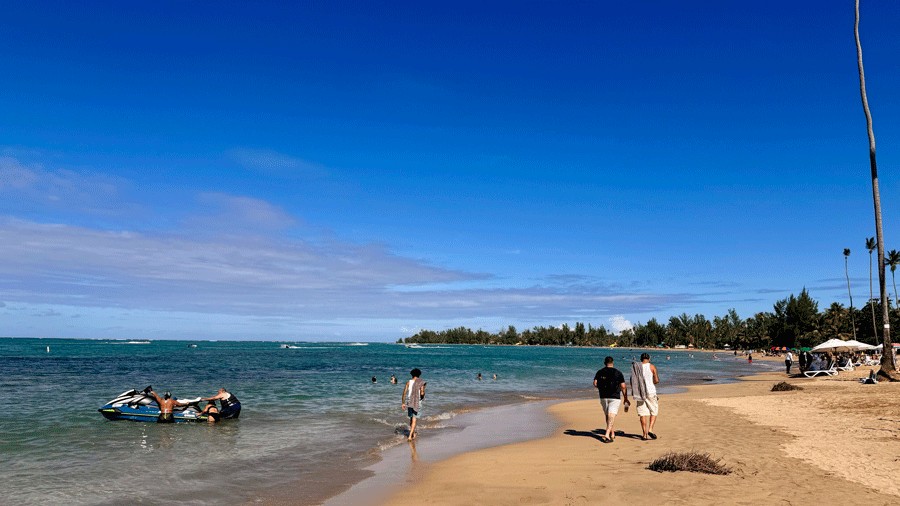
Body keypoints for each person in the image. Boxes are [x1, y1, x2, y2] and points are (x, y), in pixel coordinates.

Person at [593, 356, 628, 443]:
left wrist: (600, 388)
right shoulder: (618, 373)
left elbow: (595, 383)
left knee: (608, 415)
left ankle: (612, 433)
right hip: (614, 396)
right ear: (612, 363)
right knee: (611, 415)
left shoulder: (600, 372)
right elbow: (623, 386)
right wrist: (626, 398)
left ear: (605, 363)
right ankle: (607, 434)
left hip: (603, 396)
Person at [629, 353, 660, 441]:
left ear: (641, 359)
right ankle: (650, 429)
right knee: (654, 411)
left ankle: (644, 435)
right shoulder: (652, 367)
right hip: (651, 392)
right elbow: (656, 380)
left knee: (642, 413)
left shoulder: (636, 367)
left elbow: (632, 380)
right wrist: (652, 381)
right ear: (649, 359)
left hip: (640, 392)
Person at [401, 368, 426, 441]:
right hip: (417, 402)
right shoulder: (421, 382)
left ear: (411, 374)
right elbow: (422, 393)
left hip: (409, 402)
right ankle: (410, 436)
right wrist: (423, 395)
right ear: (419, 375)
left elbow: (404, 393)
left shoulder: (408, 382)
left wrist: (403, 403)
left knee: (411, 419)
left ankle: (413, 433)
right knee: (414, 419)